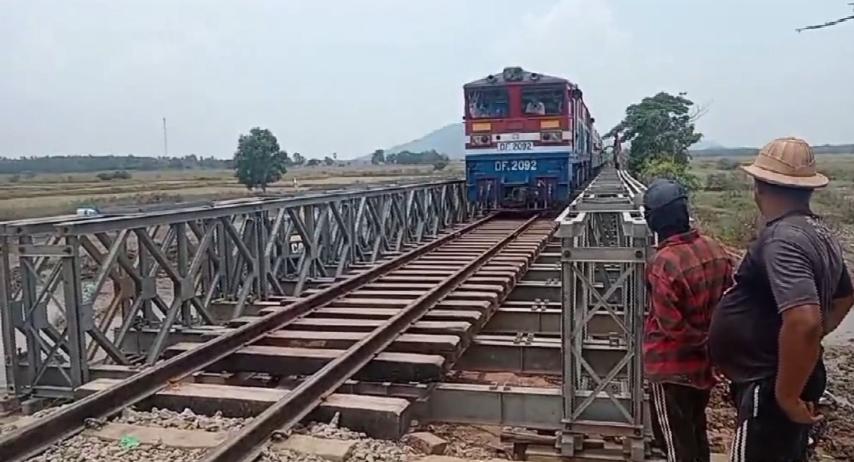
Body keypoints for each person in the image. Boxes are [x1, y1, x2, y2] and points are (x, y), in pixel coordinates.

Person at [709, 137, 854, 462]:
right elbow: (845, 295)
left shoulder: (781, 240)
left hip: (770, 382)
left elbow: (804, 320)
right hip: (786, 373)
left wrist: (786, 395)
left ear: (760, 187)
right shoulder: (817, 231)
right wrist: (810, 342)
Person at [642, 179, 735, 462]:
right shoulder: (715, 250)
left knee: (673, 443)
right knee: (695, 431)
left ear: (652, 221)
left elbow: (672, 327)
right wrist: (711, 346)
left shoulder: (663, 263)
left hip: (670, 369)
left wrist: (698, 342)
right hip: (703, 369)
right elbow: (730, 304)